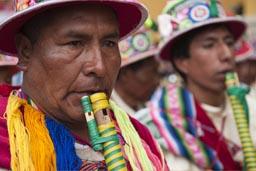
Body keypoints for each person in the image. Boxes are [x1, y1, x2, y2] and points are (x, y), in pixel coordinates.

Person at [0, 0, 168, 170]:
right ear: (25, 51)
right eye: (75, 43)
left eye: (109, 43)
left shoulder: (139, 141)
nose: (99, 67)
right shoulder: (5, 138)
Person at [134, 0, 256, 170]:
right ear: (182, 62)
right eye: (209, 45)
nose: (227, 54)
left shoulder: (250, 108)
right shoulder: (155, 127)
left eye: (229, 43)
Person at [111, 23, 161, 115]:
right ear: (125, 74)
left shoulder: (152, 112)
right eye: (152, 72)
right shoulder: (107, 115)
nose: (157, 80)